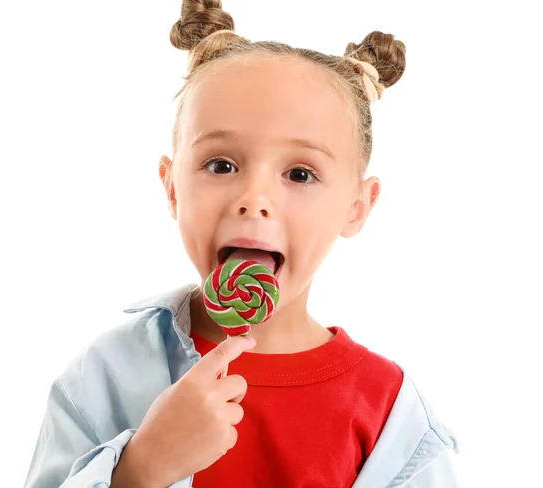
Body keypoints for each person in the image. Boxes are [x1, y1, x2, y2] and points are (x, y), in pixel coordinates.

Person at [24, 1, 460, 487]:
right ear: (172, 188)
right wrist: (141, 469)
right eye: (221, 166)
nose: (254, 200)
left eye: (300, 173)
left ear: (357, 207)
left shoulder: (390, 416)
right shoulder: (104, 377)